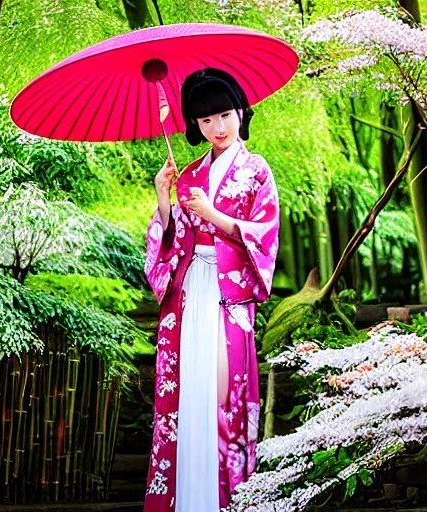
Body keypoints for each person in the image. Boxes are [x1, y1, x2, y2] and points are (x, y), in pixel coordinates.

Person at [144, 68, 280, 511]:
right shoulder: (188, 175)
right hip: (190, 294)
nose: (217, 128)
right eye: (205, 121)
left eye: (224, 115)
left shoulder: (256, 170)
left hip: (229, 297)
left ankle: (227, 501)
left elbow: (265, 233)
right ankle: (187, 500)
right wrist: (166, 198)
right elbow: (171, 242)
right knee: (189, 392)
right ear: (195, 126)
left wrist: (216, 215)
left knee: (224, 392)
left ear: (240, 111)